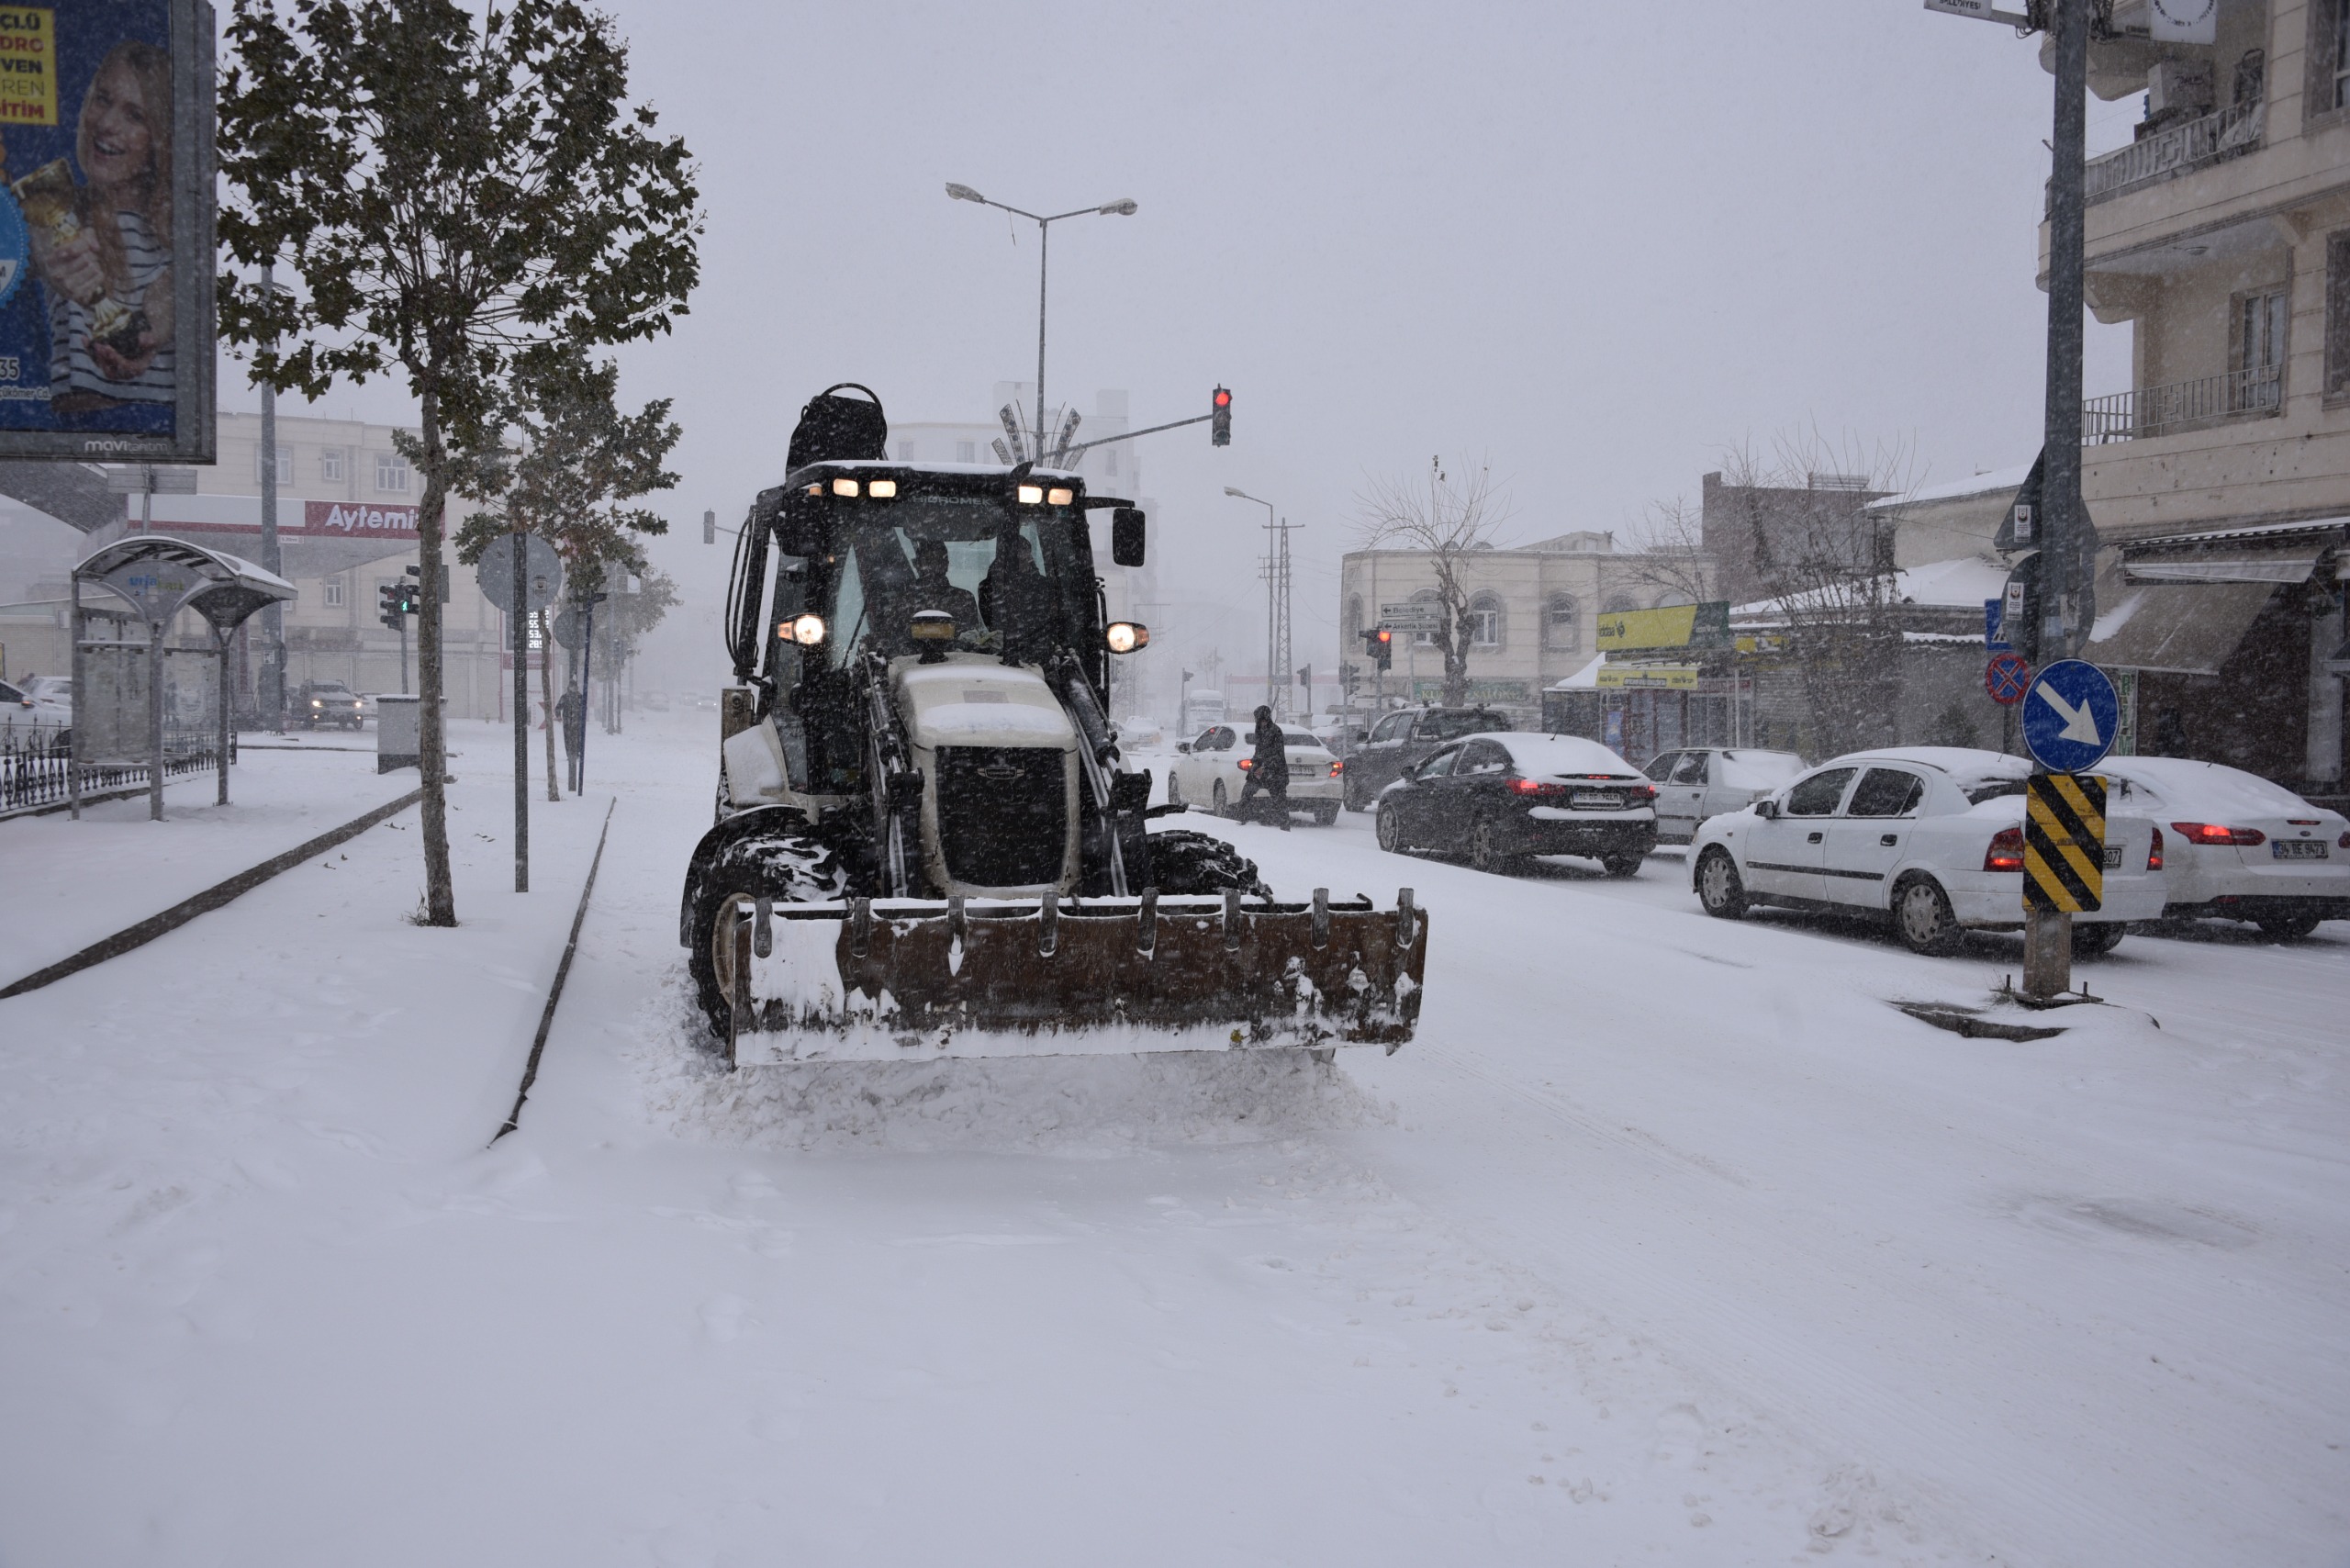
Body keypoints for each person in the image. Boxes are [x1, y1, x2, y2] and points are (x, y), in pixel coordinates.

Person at [6, 42, 177, 415]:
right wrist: (50, 255)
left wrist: (160, 323)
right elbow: (33, 241)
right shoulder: (57, 207)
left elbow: (177, 298)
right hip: (73, 430)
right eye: (103, 99)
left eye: (135, 116)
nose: (106, 124)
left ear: (161, 136)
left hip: (157, 432)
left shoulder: (181, 236)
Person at [910, 538, 980, 634]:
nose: (934, 567)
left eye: (939, 561)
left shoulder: (964, 599)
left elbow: (972, 638)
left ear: (946, 564)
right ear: (917, 564)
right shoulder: (903, 602)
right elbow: (893, 639)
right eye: (928, 561)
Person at [1237, 705, 1290, 829]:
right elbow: (1259, 751)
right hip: (1259, 771)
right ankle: (1242, 820)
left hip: (1276, 773)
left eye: (1262, 720)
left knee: (1280, 801)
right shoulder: (1259, 730)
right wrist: (1254, 766)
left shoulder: (1275, 731)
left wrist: (1265, 767)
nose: (1261, 722)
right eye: (1259, 720)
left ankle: (1285, 828)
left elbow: (1278, 755)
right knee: (1247, 792)